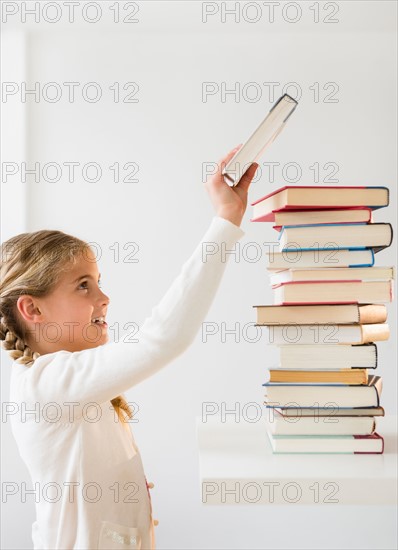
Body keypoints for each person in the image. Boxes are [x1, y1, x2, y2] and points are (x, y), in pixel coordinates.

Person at [0, 145, 258, 550]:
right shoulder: (46, 384)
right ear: (32, 308)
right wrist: (225, 222)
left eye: (99, 281)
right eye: (83, 285)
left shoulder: (66, 380)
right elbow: (164, 337)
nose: (104, 298)